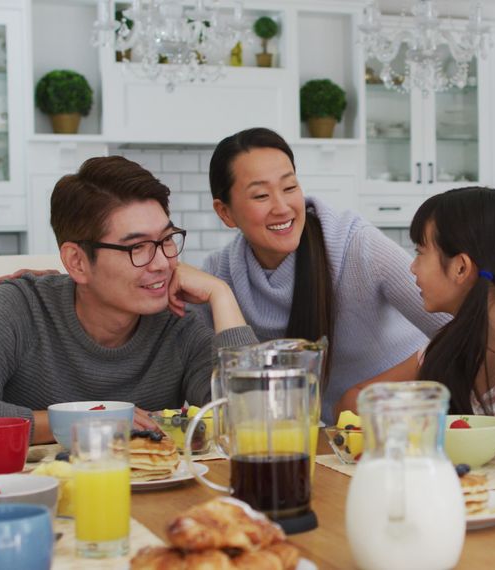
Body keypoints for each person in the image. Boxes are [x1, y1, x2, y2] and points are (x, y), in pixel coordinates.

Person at [0, 156, 256, 455]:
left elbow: (251, 422)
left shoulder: (179, 319)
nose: (162, 263)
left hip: (149, 504)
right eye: (137, 247)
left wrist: (220, 294)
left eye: (166, 240)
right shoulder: (19, 306)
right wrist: (90, 420)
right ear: (77, 262)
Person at [190, 128, 448, 422]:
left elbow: (462, 330)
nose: (282, 207)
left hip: (411, 422)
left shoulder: (357, 246)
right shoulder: (220, 276)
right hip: (330, 441)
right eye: (261, 195)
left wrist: (366, 393)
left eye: (289, 188)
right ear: (225, 213)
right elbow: (223, 394)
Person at [336, 187, 495, 457]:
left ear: (460, 267)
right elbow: (351, 400)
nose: (412, 267)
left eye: (420, 252)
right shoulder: (448, 347)